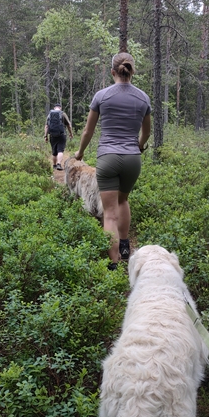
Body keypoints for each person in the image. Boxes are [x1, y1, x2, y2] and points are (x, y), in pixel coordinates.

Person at [74, 53, 151, 270]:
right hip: (132, 159)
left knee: (108, 213)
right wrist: (139, 146)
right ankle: (125, 246)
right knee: (123, 201)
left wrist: (80, 153)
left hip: (107, 157)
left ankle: (114, 263)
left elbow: (88, 131)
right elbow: (146, 132)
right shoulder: (143, 98)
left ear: (113, 72)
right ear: (132, 71)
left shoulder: (101, 96)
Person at [44, 103, 73, 170]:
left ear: (54, 108)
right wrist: (71, 133)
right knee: (60, 150)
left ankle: (54, 165)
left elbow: (46, 126)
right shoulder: (63, 114)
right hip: (62, 135)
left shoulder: (49, 115)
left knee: (54, 152)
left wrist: (45, 136)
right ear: (60, 108)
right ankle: (59, 164)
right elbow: (69, 125)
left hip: (52, 135)